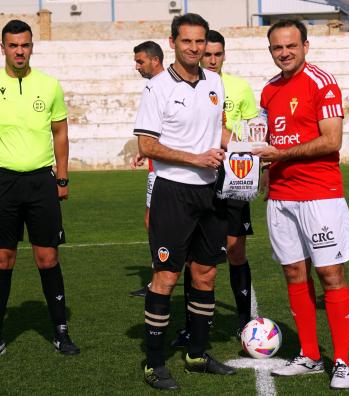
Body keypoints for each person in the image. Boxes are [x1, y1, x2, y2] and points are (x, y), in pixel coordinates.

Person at [133, 13, 235, 391]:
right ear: (173, 41)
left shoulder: (215, 82)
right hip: (173, 191)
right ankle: (155, 363)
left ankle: (196, 353)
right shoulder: (157, 87)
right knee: (167, 277)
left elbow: (216, 130)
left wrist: (245, 146)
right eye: (187, 41)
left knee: (205, 273)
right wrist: (195, 158)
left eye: (200, 42)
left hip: (211, 190)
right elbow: (147, 145)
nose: (195, 48)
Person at [252, 19, 349, 390]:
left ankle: (341, 361)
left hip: (320, 196)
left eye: (291, 46)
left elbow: (331, 141)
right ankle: (310, 355)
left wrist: (280, 154)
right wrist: (260, 171)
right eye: (278, 48)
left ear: (305, 46)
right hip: (280, 198)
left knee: (330, 275)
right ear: (271, 51)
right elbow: (265, 139)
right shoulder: (268, 91)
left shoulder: (322, 83)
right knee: (294, 273)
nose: (285, 53)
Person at [0, 19, 79, 359]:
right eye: (14, 45)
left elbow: (60, 132)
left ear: (32, 46)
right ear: (2, 48)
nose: (20, 51)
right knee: (2, 258)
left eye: (26, 45)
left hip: (40, 182)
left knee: (47, 257)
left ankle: (61, 332)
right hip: (3, 181)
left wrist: (61, 178)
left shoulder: (49, 85)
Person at [171, 29, 258, 347]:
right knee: (192, 256)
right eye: (206, 54)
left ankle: (245, 323)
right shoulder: (182, 86)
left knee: (235, 250)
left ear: (224, 55)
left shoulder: (239, 88)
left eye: (217, 54)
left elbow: (251, 132)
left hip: (233, 176)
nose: (211, 59)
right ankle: (191, 326)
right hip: (195, 177)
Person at [129, 40, 165, 298]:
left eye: (140, 61)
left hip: (164, 170)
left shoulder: (159, 86)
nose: (137, 66)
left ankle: (161, 278)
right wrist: (144, 150)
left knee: (155, 222)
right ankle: (158, 277)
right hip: (156, 165)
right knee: (152, 221)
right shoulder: (158, 85)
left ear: (155, 60)